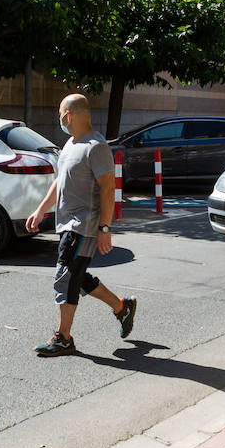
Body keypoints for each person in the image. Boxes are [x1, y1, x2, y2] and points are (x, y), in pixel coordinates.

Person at [25, 94, 137, 357]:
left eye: (60, 112)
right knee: (77, 276)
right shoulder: (70, 143)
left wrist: (105, 229)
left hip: (83, 225)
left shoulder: (95, 147)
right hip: (66, 223)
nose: (59, 117)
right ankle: (122, 308)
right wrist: (41, 210)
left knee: (65, 277)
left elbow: (108, 190)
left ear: (69, 115)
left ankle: (63, 339)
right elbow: (59, 182)